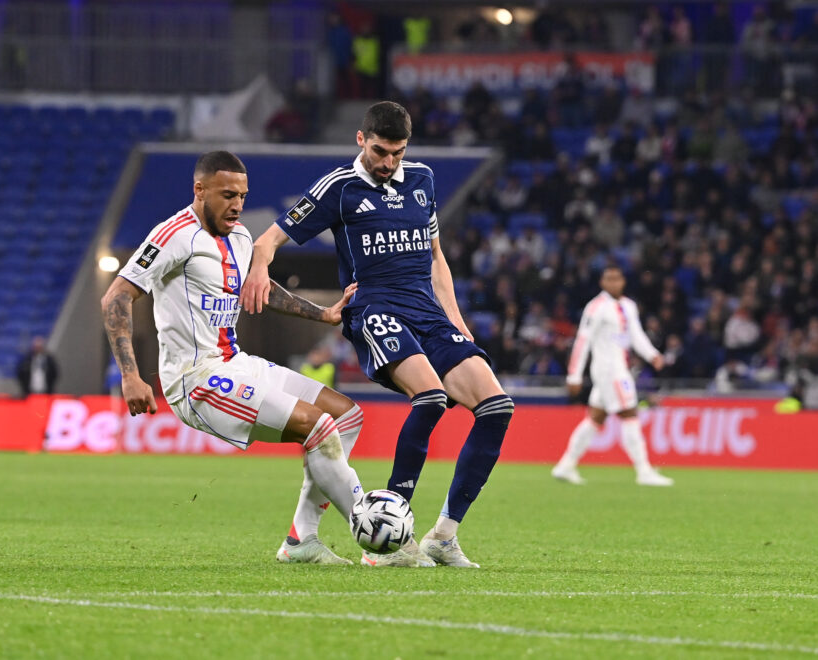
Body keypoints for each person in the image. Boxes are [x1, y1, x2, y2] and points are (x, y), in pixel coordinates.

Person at [241, 102, 514, 568]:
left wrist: (456, 321)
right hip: (374, 309)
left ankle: (443, 536)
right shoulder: (338, 188)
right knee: (430, 398)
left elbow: (436, 257)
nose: (389, 162)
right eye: (381, 151)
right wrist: (258, 270)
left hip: (427, 312)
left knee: (497, 408)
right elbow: (267, 240)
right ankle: (394, 539)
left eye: (398, 152)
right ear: (361, 139)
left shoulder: (423, 179)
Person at [101, 151, 365, 565]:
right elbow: (116, 296)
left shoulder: (240, 236)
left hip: (236, 362)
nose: (237, 205)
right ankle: (374, 528)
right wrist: (130, 375)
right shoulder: (173, 235)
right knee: (319, 426)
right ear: (199, 190)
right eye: (227, 195)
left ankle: (302, 540)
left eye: (242, 196)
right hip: (196, 379)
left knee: (347, 416)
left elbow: (262, 290)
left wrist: (324, 314)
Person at [552, 265, 673, 487]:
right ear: (602, 282)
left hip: (619, 368)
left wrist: (652, 354)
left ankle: (566, 465)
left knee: (596, 418)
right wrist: (574, 375)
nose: (613, 283)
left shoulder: (628, 306)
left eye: (617, 279)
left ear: (623, 281)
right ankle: (644, 471)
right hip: (608, 369)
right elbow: (582, 341)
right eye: (609, 279)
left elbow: (636, 335)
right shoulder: (596, 307)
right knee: (630, 413)